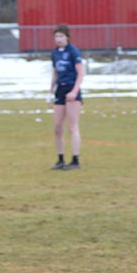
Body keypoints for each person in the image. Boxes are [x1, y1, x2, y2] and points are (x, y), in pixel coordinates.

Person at [50, 24, 84, 170]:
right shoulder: (55, 53)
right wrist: (50, 91)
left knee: (72, 126)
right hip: (60, 89)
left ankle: (75, 160)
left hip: (71, 89)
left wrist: (74, 91)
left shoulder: (73, 51)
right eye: (56, 36)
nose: (58, 39)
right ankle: (60, 159)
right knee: (57, 127)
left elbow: (81, 73)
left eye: (61, 36)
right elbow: (55, 72)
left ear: (67, 37)